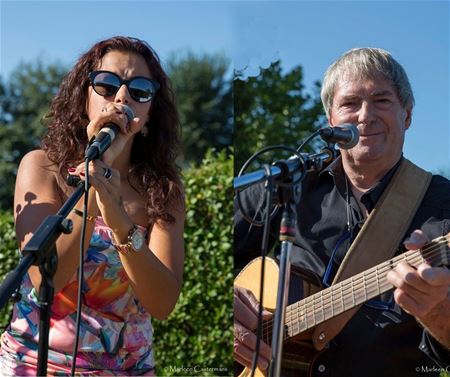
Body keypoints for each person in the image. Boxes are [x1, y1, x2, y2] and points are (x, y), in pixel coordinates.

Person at [234, 48, 450, 377]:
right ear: (331, 121)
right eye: (350, 103)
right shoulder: (287, 184)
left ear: (407, 115)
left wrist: (439, 313)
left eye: (382, 101)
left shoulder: (443, 204)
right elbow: (188, 254)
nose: (365, 116)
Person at [0, 36, 185, 376]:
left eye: (140, 89)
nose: (122, 96)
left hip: (126, 368)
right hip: (34, 363)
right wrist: (95, 177)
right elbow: (47, 279)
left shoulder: (163, 190)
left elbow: (162, 302)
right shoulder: (41, 168)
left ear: (149, 111)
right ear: (83, 94)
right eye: (107, 84)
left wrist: (117, 218)